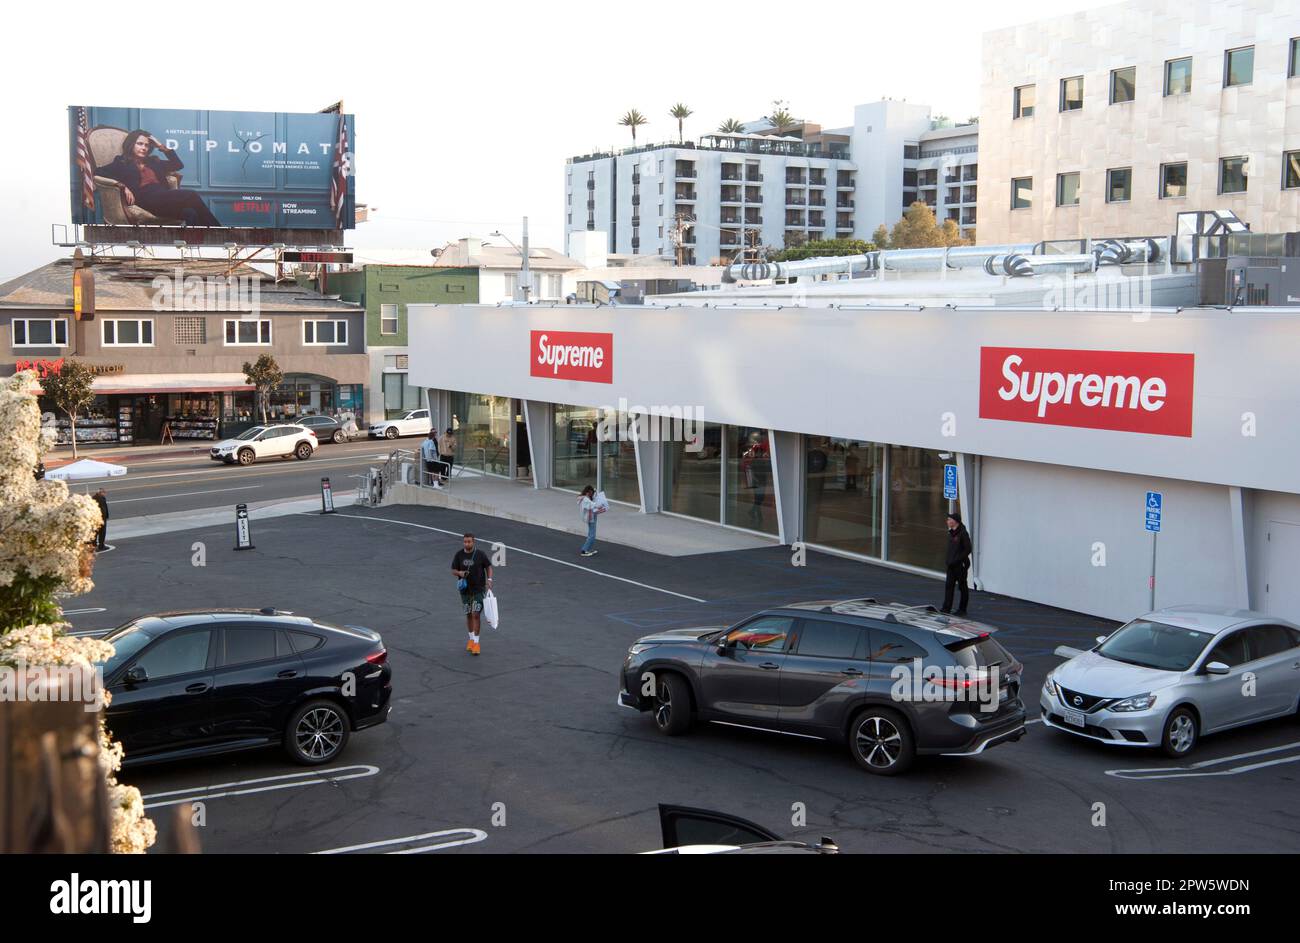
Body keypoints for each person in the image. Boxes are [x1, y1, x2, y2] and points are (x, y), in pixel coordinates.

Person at [92, 131, 221, 226]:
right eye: (139, 144)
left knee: (190, 212)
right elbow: (98, 172)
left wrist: (162, 147)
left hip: (163, 197)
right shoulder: (121, 162)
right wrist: (122, 185)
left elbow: (178, 165)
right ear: (131, 145)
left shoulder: (154, 161)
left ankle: (195, 245)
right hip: (145, 199)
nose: (143, 148)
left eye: (147, 145)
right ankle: (221, 232)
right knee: (191, 195)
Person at [451, 533, 493, 655]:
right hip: (465, 591)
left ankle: (476, 642)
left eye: (469, 541)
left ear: (473, 542)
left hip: (478, 590)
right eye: (465, 542)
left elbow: (488, 566)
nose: (467, 544)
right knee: (468, 614)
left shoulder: (480, 554)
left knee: (476, 614)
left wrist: (489, 580)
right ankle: (470, 639)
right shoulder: (459, 555)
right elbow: (453, 570)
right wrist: (460, 573)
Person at [941, 511, 973, 616]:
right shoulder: (951, 533)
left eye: (949, 520)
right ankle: (946, 608)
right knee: (949, 586)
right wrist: (949, 561)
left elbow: (968, 549)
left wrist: (958, 560)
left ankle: (962, 609)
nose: (947, 521)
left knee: (962, 587)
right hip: (951, 565)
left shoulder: (963, 533)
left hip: (960, 565)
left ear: (955, 521)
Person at [578, 485, 601, 557]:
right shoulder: (585, 499)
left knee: (591, 534)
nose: (592, 494)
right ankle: (584, 550)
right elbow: (592, 505)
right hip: (590, 518)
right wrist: (600, 504)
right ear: (588, 492)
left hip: (592, 516)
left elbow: (592, 501)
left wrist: (595, 492)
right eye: (591, 492)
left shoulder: (586, 498)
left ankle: (587, 549)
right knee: (592, 535)